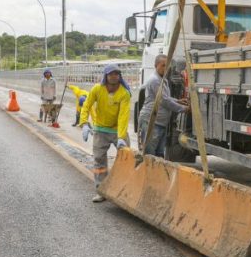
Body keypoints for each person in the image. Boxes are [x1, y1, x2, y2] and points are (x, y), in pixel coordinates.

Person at [79, 64, 131, 203]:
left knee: (127, 158)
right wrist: (84, 124)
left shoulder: (124, 93)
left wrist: (121, 137)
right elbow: (86, 105)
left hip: (117, 130)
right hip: (101, 130)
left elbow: (123, 116)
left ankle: (125, 190)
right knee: (99, 161)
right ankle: (101, 190)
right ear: (106, 76)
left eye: (116, 74)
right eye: (111, 74)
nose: (114, 76)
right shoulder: (97, 89)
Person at [138, 55, 189, 157]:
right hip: (151, 122)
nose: (165, 68)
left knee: (159, 154)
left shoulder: (162, 80)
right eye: (163, 65)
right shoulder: (155, 80)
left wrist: (178, 101)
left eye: (167, 66)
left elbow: (166, 97)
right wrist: (184, 109)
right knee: (150, 156)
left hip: (160, 123)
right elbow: (164, 101)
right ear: (156, 65)